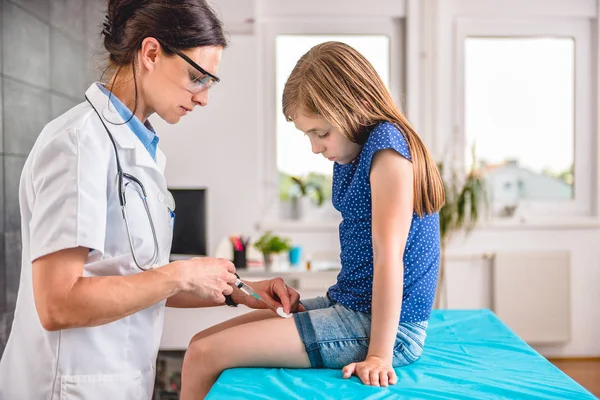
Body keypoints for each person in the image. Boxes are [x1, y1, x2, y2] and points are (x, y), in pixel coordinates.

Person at [0, 1, 301, 399]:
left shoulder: (143, 152)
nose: (203, 98)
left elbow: (135, 276)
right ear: (151, 53)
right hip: (66, 384)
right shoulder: (78, 144)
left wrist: (238, 291)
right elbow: (58, 304)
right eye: (197, 77)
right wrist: (182, 274)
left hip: (118, 380)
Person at [179, 41, 446, 399]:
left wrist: (379, 355)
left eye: (321, 133)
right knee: (201, 341)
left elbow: (389, 257)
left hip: (390, 331)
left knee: (203, 354)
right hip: (350, 307)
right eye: (308, 135)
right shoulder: (352, 156)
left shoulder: (387, 150)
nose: (315, 147)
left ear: (360, 107)